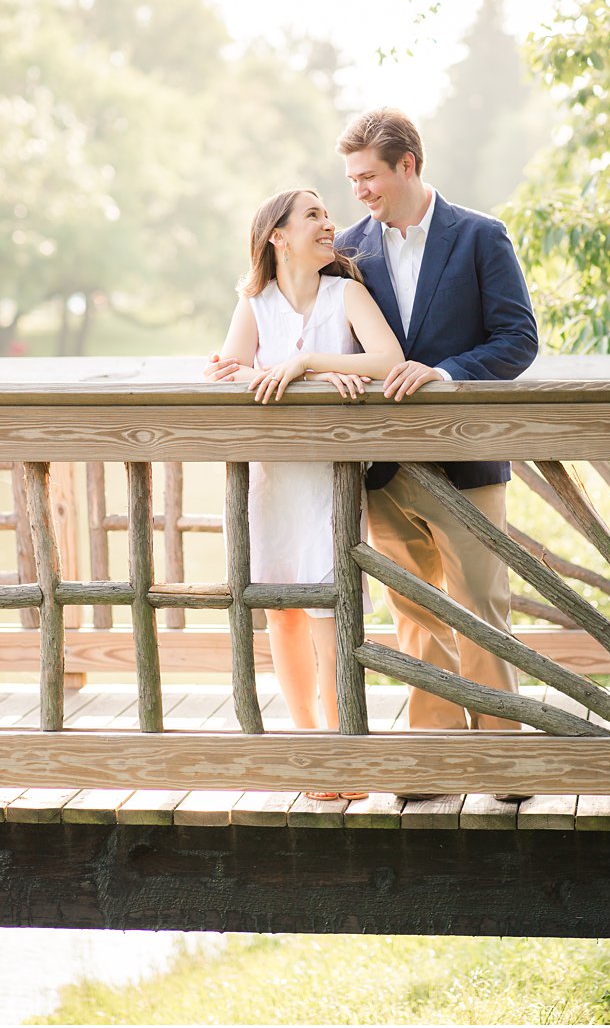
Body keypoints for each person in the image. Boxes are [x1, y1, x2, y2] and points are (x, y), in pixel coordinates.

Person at [212, 109, 540, 803]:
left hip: (467, 459)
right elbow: (326, 334)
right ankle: (431, 760)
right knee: (413, 613)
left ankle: (502, 764)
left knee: (481, 605)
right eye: (349, 179)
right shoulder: (346, 250)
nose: (357, 191)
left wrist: (443, 372)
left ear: (407, 166)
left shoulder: (480, 237)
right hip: (383, 468)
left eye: (367, 176)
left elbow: (517, 339)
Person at [206, 188, 403, 800]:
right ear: (278, 236)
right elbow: (228, 368)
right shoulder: (255, 302)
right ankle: (310, 746)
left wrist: (311, 362)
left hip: (326, 479)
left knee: (331, 611)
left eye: (326, 214)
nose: (329, 224)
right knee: (282, 611)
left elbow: (389, 359)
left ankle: (346, 753)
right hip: (271, 479)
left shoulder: (347, 293)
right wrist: (282, 373)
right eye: (312, 215)